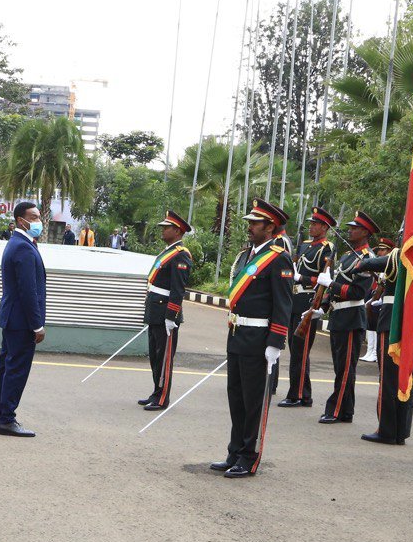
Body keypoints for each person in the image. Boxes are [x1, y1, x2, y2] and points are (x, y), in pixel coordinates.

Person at [212, 198, 293, 478]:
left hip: (259, 337)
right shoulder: (247, 255)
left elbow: (283, 303)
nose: (250, 227)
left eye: (255, 223)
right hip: (237, 333)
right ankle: (234, 451)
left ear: (270, 227)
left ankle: (249, 456)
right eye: (249, 222)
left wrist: (275, 342)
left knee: (254, 400)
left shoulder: (279, 257)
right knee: (236, 397)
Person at [353, 227, 413, 445]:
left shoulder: (399, 256)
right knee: (408, 376)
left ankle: (387, 430)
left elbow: (367, 264)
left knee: (389, 377)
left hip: (393, 322)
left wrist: (361, 264)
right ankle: (401, 429)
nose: (401, 237)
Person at [0, 201, 46, 438]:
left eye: (39, 217)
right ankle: (7, 419)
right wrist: (37, 325)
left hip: (12, 318)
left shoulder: (19, 243)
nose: (38, 221)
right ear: (21, 220)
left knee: (5, 366)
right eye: (33, 217)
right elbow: (28, 291)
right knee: (16, 369)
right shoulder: (22, 247)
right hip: (22, 321)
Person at [316, 211, 378, 425]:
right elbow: (336, 288)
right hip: (338, 315)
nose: (350, 230)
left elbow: (358, 292)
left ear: (365, 232)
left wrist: (330, 284)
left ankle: (336, 409)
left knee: (344, 369)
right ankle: (346, 411)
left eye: (355, 228)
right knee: (340, 367)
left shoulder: (367, 258)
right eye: (350, 227)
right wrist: (322, 306)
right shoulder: (346, 256)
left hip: (352, 316)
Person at [278, 207, 337, 408]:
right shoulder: (303, 245)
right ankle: (304, 393)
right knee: (295, 350)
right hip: (295, 301)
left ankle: (297, 394)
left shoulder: (327, 248)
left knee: (300, 352)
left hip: (309, 302)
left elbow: (323, 279)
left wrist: (301, 278)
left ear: (324, 227)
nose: (311, 226)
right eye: (311, 223)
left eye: (315, 224)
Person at [140, 210, 192, 411]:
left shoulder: (180, 255)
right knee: (155, 355)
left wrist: (172, 316)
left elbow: (178, 290)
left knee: (164, 358)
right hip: (155, 310)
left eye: (167, 227)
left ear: (178, 231)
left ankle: (163, 398)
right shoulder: (168, 252)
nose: (163, 230)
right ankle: (156, 392)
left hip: (165, 313)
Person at [361, 238, 395, 362]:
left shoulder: (391, 264)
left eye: (383, 250)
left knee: (376, 325)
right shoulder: (384, 265)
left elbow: (384, 285)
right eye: (379, 250)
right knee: (371, 323)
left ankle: (375, 352)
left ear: (390, 251)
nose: (380, 253)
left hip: (384, 301)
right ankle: (371, 351)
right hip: (378, 298)